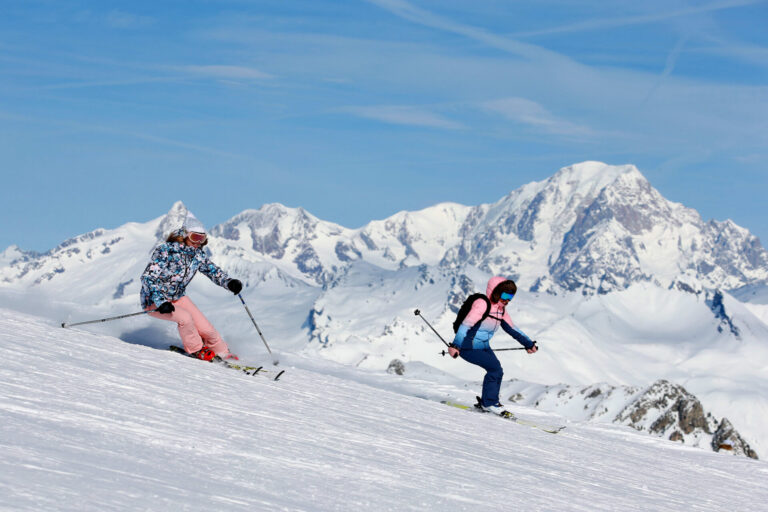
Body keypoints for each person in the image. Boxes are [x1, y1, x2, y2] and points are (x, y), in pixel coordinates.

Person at [140, 213, 243, 361]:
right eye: (195, 237)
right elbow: (148, 278)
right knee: (185, 319)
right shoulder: (166, 251)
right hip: (155, 301)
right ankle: (196, 349)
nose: (198, 243)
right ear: (184, 235)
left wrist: (229, 282)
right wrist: (160, 301)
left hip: (178, 297)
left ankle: (223, 353)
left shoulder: (197, 255)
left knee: (207, 330)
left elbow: (212, 271)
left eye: (202, 239)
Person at [449, 276, 538, 415]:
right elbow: (466, 324)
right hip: (468, 346)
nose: (507, 300)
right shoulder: (482, 304)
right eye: (505, 295)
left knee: (498, 370)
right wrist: (456, 345)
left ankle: (488, 402)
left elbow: (511, 328)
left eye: (510, 297)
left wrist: (528, 344)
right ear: (496, 292)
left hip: (483, 345)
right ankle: (490, 403)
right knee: (494, 369)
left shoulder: (501, 310)